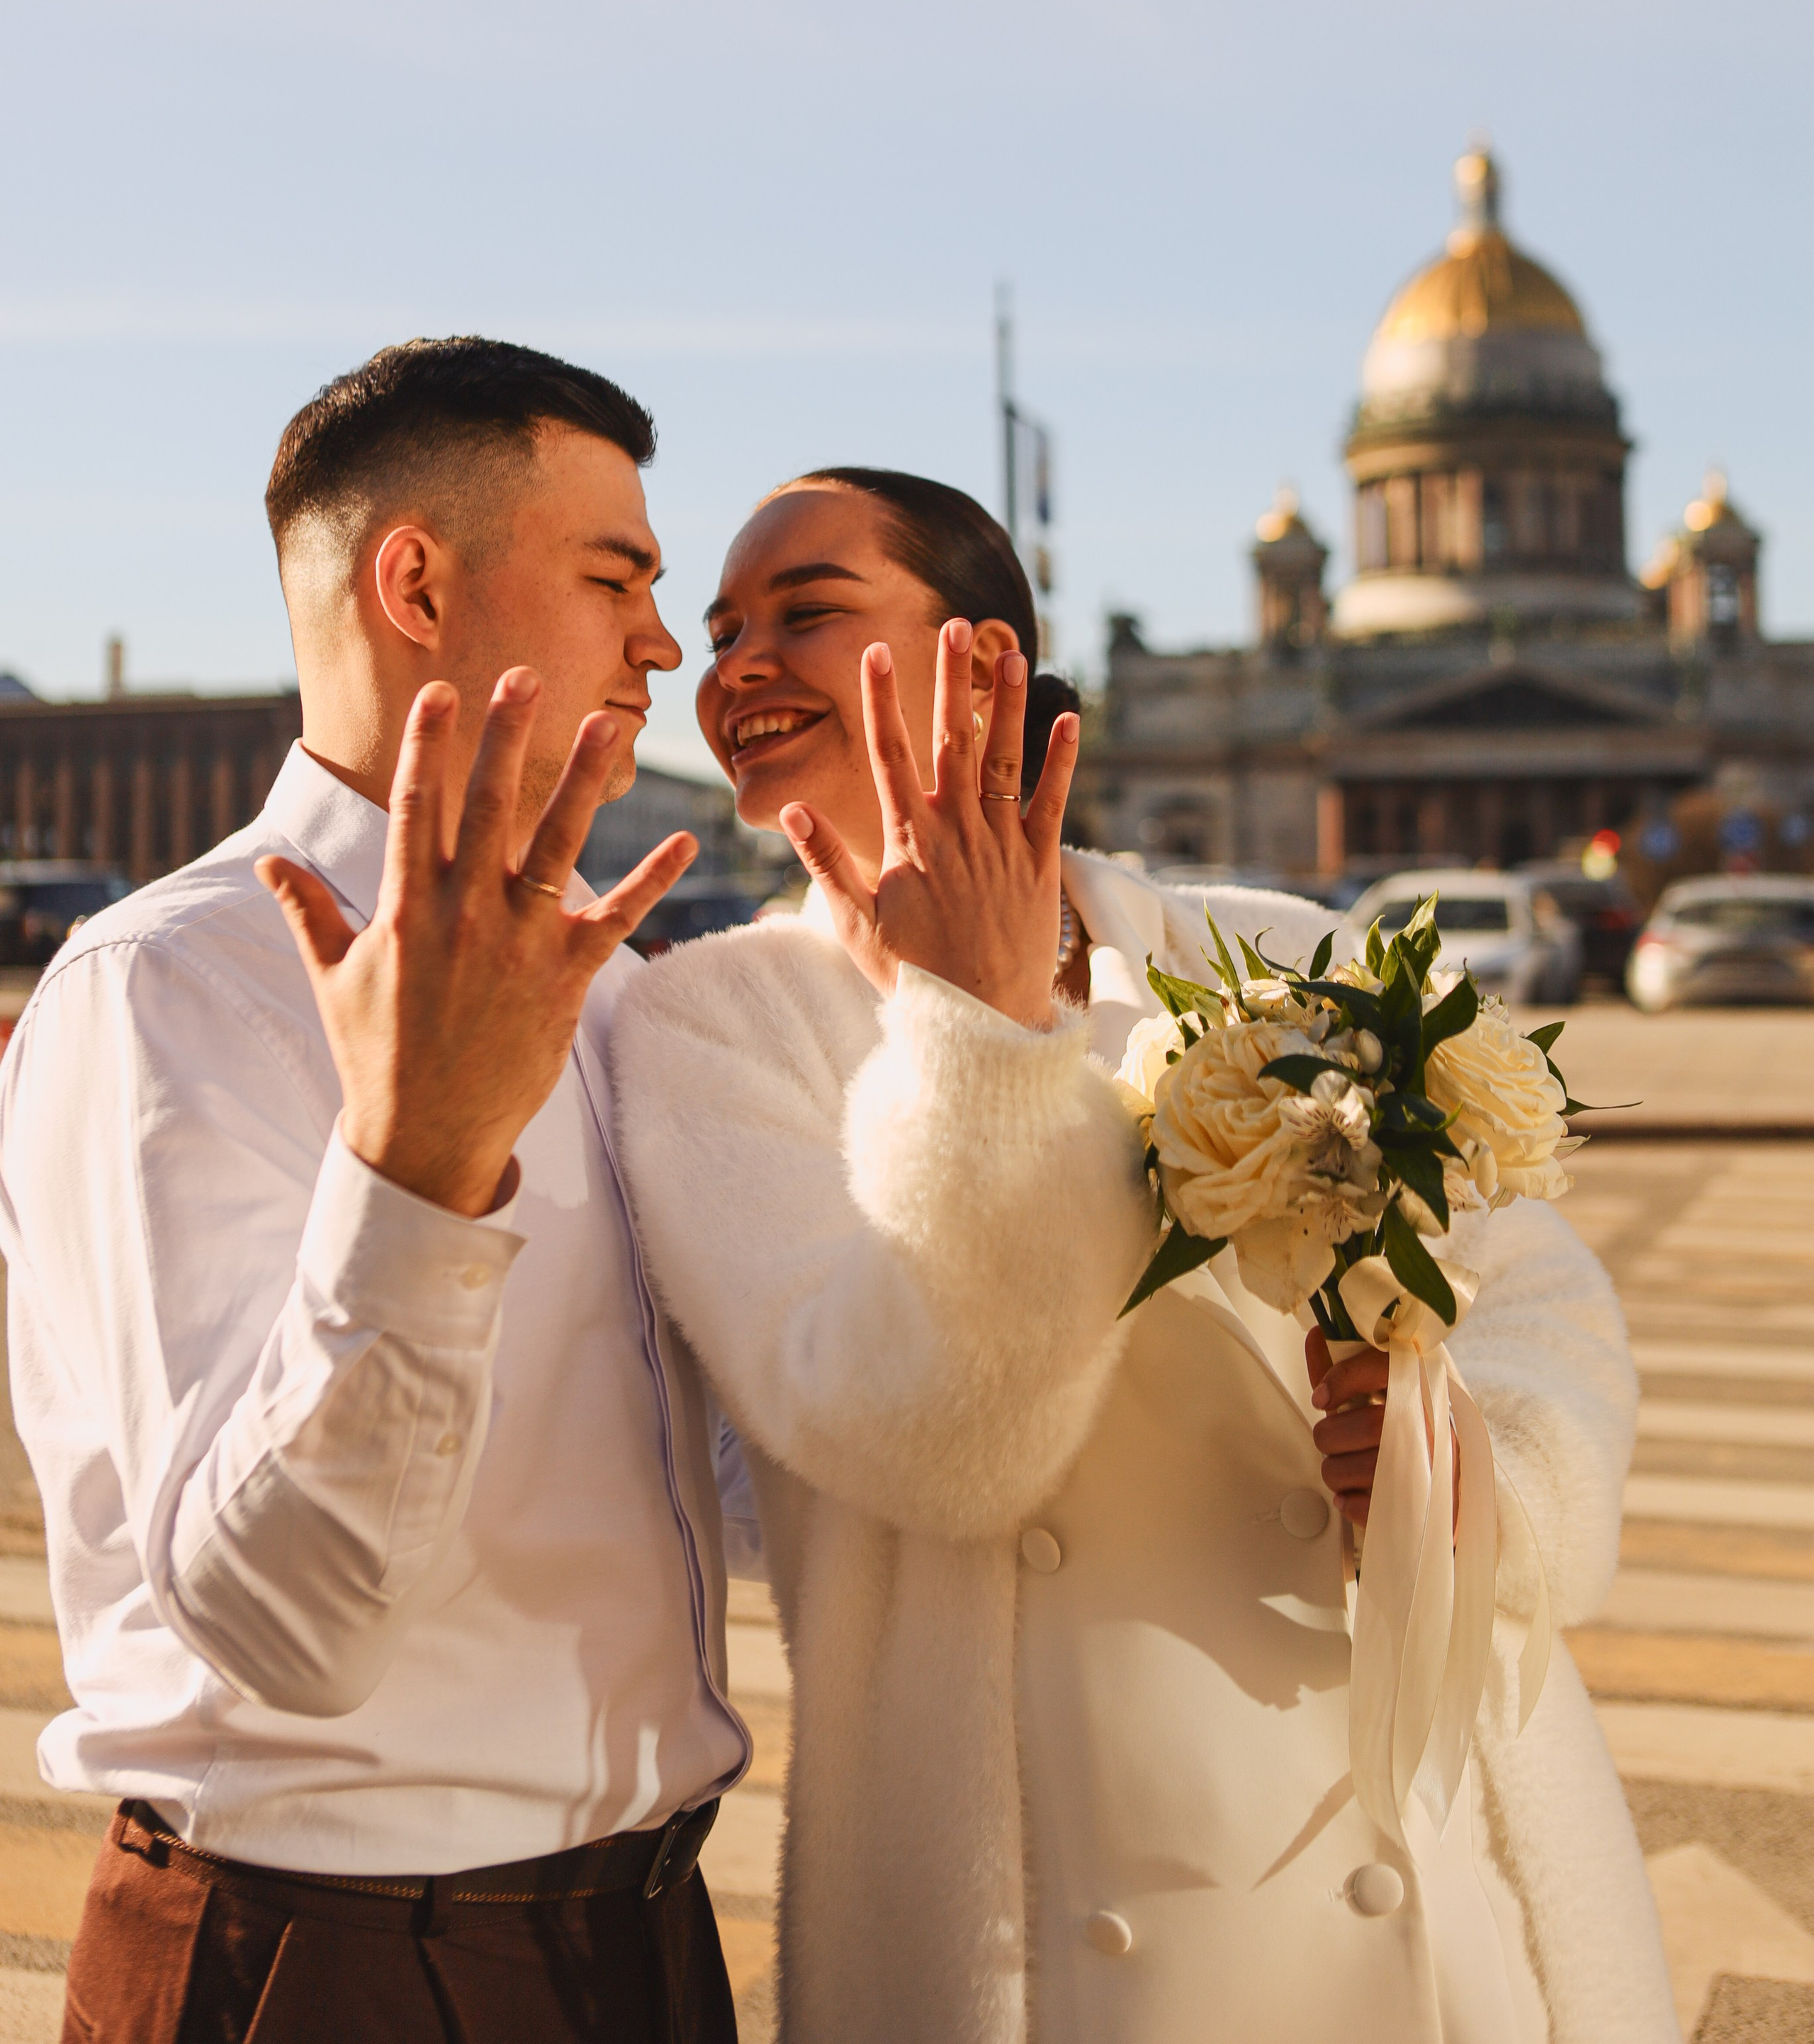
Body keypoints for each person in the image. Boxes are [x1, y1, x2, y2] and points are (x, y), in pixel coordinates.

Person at [606, 468, 1679, 2044]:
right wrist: (979, 1038)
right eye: (719, 635)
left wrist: (1476, 1472)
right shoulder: (710, 1026)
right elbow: (932, 1444)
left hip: (1429, 1841)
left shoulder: (1285, 949)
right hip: (1048, 1904)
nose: (735, 667)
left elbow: (1541, 1297)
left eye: (803, 612)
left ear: (979, 661)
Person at [0, 339, 749, 2044]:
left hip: (644, 1941)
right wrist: (418, 1171)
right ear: (414, 585)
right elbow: (281, 1623)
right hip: (330, 1964)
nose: (663, 642)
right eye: (614, 576)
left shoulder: (616, 994)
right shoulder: (168, 988)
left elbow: (702, 1480)